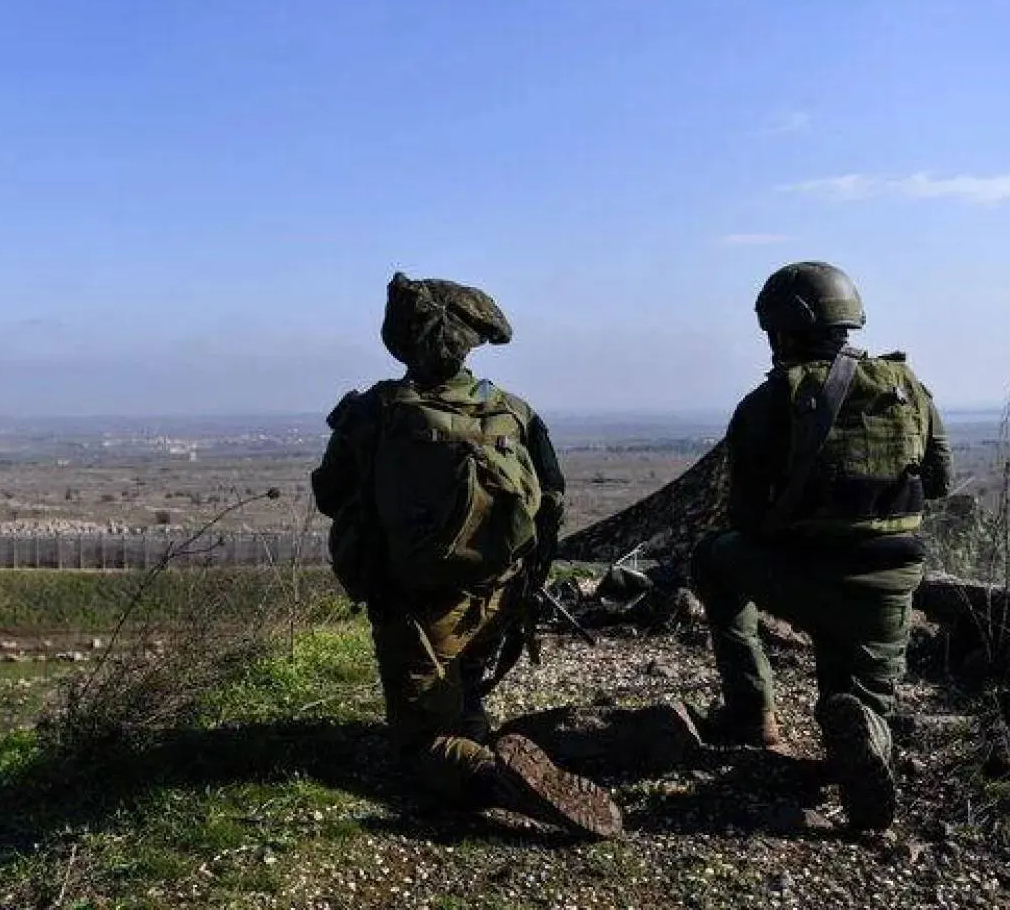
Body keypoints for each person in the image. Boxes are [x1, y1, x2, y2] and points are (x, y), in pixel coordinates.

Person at [311, 271, 621, 839]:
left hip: (416, 606)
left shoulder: (376, 411)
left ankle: (491, 776)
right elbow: (551, 498)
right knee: (467, 688)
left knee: (421, 745)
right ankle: (625, 735)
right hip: (499, 595)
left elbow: (331, 494)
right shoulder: (512, 409)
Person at [691, 261, 953, 831]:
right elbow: (938, 483)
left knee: (714, 558)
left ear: (778, 331)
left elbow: (746, 516)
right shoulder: (910, 389)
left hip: (807, 575)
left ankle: (750, 714)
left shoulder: (766, 404)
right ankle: (866, 731)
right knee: (864, 690)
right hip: (891, 583)